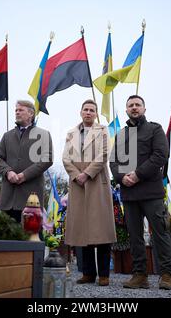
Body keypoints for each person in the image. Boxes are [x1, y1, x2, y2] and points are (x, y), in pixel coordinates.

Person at [110, 95, 171, 290]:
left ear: (144, 109)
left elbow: (161, 155)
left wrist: (138, 174)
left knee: (161, 234)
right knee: (135, 236)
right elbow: (113, 161)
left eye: (138, 105)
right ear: (126, 110)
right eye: (130, 105)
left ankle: (166, 275)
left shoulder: (155, 129)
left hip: (151, 192)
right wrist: (123, 178)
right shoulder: (121, 135)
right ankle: (140, 275)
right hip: (129, 194)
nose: (134, 108)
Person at [62, 99, 116, 287]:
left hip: (96, 184)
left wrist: (87, 173)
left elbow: (103, 155)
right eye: (85, 109)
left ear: (96, 114)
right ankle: (87, 273)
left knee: (101, 230)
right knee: (81, 230)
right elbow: (66, 158)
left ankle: (103, 274)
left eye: (92, 110)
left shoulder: (102, 131)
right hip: (78, 185)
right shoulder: (71, 133)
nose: (88, 112)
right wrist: (77, 176)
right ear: (80, 112)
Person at [0, 100, 53, 222]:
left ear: (31, 114)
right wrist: (8, 172)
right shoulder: (7, 136)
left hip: (31, 199)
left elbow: (47, 159)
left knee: (32, 237)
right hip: (8, 199)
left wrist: (24, 175)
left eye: (21, 110)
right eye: (16, 110)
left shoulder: (44, 134)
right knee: (3, 238)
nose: (17, 112)